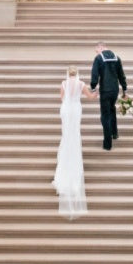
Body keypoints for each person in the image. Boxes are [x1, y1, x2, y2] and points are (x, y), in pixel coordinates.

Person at [52, 65, 89, 218]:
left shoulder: (63, 83)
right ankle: (74, 159)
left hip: (66, 110)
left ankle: (65, 164)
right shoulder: (81, 84)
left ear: (68, 73)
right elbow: (90, 97)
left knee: (66, 134)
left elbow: (62, 97)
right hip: (75, 109)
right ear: (77, 74)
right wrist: (98, 91)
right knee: (75, 134)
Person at [90, 41, 127, 150]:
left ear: (100, 47)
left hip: (105, 90)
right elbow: (121, 74)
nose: (96, 53)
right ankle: (114, 133)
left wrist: (93, 87)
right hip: (115, 90)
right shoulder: (117, 57)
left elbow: (94, 74)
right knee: (112, 110)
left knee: (105, 115)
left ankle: (107, 144)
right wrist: (124, 88)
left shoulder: (98, 58)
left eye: (97, 50)